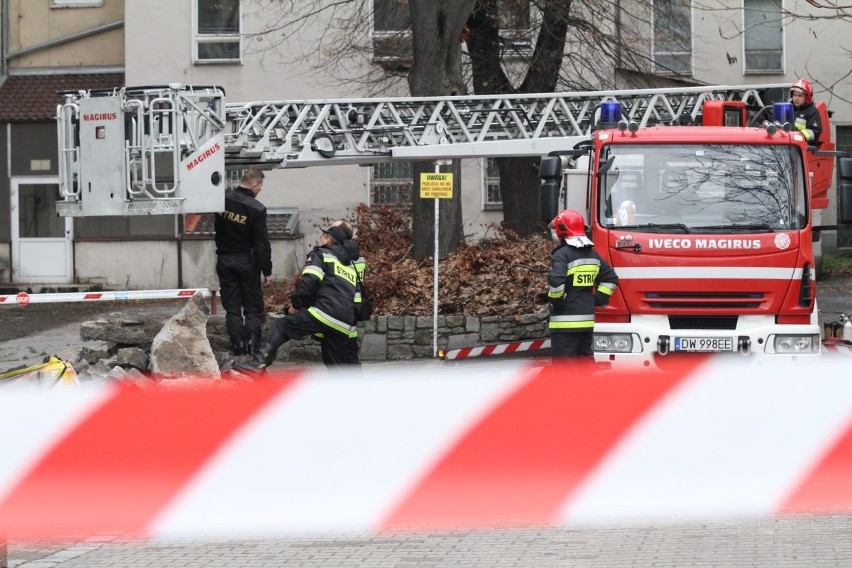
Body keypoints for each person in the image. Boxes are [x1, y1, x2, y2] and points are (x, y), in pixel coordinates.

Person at [240, 220, 359, 370]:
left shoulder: (320, 254)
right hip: (344, 322)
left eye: (323, 236)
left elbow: (309, 283)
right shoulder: (348, 266)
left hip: (325, 312)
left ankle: (258, 363)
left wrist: (295, 306)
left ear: (328, 239)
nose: (320, 239)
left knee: (282, 325)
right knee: (336, 367)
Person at [214, 167, 273, 357]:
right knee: (253, 309)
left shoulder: (221, 199)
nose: (259, 191)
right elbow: (262, 243)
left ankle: (238, 349)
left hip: (225, 260)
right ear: (254, 184)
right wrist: (267, 270)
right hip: (247, 263)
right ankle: (254, 350)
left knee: (232, 309)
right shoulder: (257, 209)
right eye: (260, 187)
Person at [547, 209, 619, 359]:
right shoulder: (593, 254)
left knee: (565, 372)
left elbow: (556, 280)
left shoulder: (561, 254)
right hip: (586, 322)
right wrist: (597, 299)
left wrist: (557, 302)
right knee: (585, 367)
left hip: (564, 325)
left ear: (562, 231)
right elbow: (611, 278)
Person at [789, 79, 823, 145]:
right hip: (785, 146)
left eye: (800, 96)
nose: (796, 98)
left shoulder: (812, 111)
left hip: (802, 148)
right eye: (795, 95)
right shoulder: (788, 109)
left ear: (807, 98)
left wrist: (797, 136)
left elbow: (814, 132)